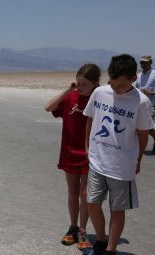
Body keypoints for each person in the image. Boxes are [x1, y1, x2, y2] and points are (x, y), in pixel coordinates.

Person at [83, 54, 153, 255]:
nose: (115, 89)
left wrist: (138, 159)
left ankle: (111, 249)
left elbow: (142, 135)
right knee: (92, 202)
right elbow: (89, 118)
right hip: (97, 160)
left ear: (133, 79)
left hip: (121, 166)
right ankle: (101, 240)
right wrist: (88, 147)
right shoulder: (99, 92)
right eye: (112, 85)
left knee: (117, 208)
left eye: (120, 86)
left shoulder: (141, 102)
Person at [44, 63, 101, 251]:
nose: (80, 87)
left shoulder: (98, 100)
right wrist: (68, 90)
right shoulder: (71, 97)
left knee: (85, 195)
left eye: (84, 84)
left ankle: (83, 230)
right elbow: (48, 107)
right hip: (69, 153)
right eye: (78, 83)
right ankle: (73, 227)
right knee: (72, 192)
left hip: (89, 155)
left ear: (95, 84)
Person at [134, 55, 155, 151]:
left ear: (151, 62)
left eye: (145, 62)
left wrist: (151, 92)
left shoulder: (154, 74)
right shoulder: (138, 76)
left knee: (148, 127)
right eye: (142, 62)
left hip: (151, 105)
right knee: (139, 126)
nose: (143, 64)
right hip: (138, 105)